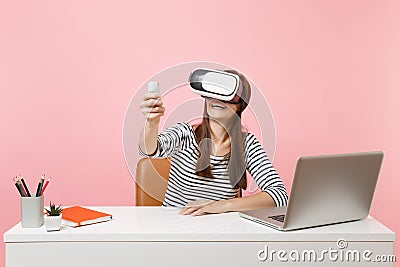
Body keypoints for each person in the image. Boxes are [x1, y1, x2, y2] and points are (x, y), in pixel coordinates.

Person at [139, 69, 288, 216]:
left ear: (240, 105)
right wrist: (152, 122)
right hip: (174, 229)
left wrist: (221, 205)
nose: (218, 99)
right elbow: (149, 149)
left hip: (218, 233)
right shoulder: (185, 134)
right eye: (214, 92)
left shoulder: (247, 145)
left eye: (227, 95)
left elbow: (279, 195)